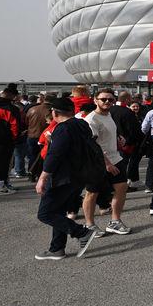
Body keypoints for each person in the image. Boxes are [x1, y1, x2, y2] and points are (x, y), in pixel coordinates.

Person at [33, 97, 99, 260]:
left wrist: (42, 177)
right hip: (78, 176)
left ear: (54, 113)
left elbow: (55, 155)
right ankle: (57, 249)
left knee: (45, 213)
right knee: (58, 212)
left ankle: (82, 232)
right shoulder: (82, 124)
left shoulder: (62, 129)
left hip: (62, 177)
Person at [83, 88, 132, 236]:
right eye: (103, 99)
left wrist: (118, 139)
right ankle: (89, 225)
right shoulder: (91, 119)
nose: (107, 102)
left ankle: (115, 222)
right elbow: (92, 145)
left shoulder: (109, 114)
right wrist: (107, 164)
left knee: (122, 187)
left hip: (115, 157)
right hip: (98, 162)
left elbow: (106, 134)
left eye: (110, 99)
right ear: (95, 100)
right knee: (92, 193)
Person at [25, 94, 51, 179]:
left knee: (32, 156)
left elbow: (26, 122)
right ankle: (40, 174)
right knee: (44, 156)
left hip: (31, 135)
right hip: (45, 137)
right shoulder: (51, 111)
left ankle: (31, 173)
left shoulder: (32, 109)